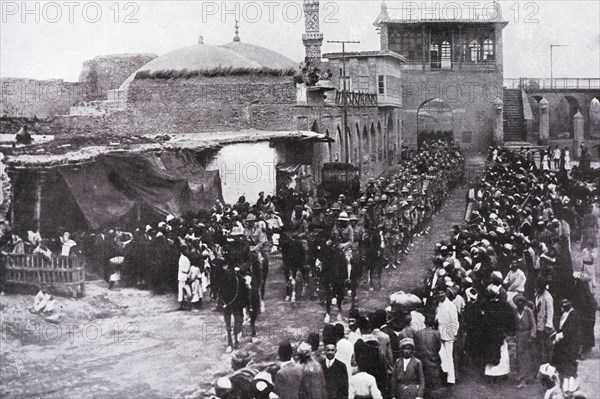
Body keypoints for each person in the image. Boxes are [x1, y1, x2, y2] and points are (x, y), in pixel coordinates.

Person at [414, 312, 443, 399]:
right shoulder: (436, 333)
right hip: (433, 361)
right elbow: (439, 347)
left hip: (422, 361)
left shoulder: (418, 333)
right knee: (434, 386)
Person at [551, 298, 580, 379]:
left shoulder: (573, 314)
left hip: (569, 341)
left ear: (571, 302)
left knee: (569, 362)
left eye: (566, 302)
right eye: (562, 302)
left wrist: (558, 337)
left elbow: (570, 330)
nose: (564, 304)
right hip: (563, 340)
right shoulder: (564, 313)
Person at [434, 287, 458, 385]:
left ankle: (451, 379)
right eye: (439, 293)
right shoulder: (439, 305)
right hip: (440, 333)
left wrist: (454, 333)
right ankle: (444, 375)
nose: (440, 295)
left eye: (442, 292)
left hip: (448, 334)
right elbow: (438, 318)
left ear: (446, 293)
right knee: (441, 355)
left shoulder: (451, 306)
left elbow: (455, 321)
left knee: (449, 356)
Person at [513, 294, 537, 388]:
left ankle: (527, 378)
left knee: (527, 356)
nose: (520, 304)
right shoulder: (514, 311)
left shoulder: (528, 311)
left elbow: (533, 325)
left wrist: (532, 336)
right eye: (518, 302)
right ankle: (520, 377)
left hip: (527, 334)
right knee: (519, 356)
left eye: (522, 302)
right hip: (519, 334)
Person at [535, 277, 555, 365]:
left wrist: (548, 326)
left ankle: (545, 365)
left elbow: (550, 313)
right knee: (539, 346)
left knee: (545, 347)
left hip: (544, 327)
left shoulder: (548, 297)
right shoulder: (537, 294)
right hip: (538, 325)